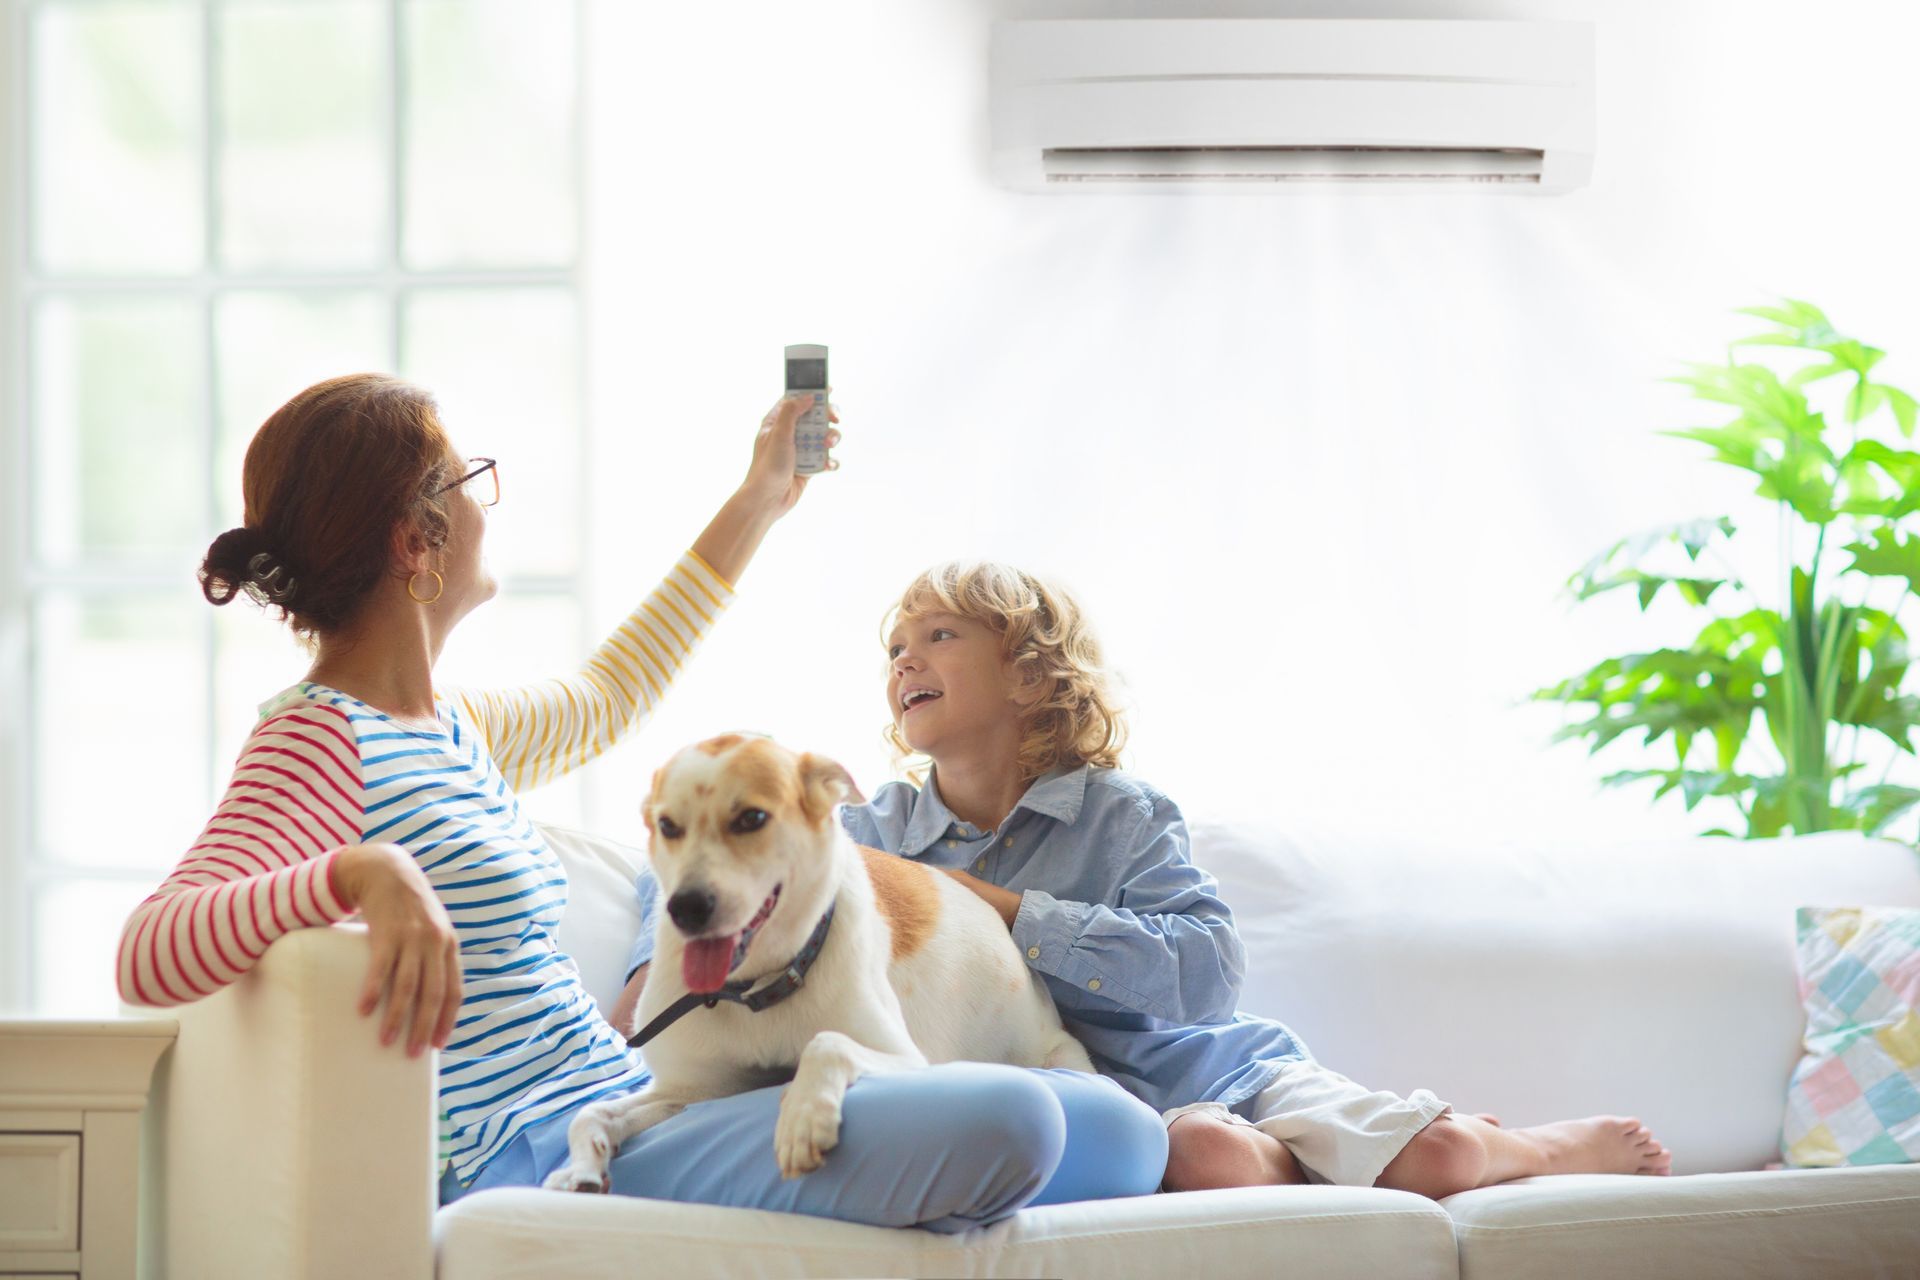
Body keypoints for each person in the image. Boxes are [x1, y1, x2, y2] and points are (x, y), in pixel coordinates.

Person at [113, 376, 1166, 1231]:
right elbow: (151, 948)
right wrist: (359, 871)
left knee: (1125, 1133)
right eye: (468, 476)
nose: (487, 497)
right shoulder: (316, 740)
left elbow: (610, 693)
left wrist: (762, 494)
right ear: (413, 538)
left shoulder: (451, 727)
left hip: (638, 1097)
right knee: (1019, 1119)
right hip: (545, 1148)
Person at [837, 559, 1674, 1195]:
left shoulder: (1121, 813)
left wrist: (1011, 912)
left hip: (1218, 1069)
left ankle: (1538, 1146)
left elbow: (1207, 977)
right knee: (1209, 1156)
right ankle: (1371, 1153)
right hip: (1117, 1107)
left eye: (939, 636)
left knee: (1443, 1158)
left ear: (1027, 673)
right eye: (895, 649)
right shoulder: (873, 836)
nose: (905, 662)